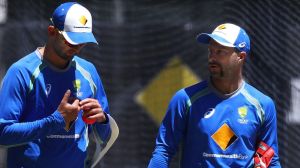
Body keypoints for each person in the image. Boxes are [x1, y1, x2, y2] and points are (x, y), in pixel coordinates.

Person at [148, 23, 281, 167]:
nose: (212, 57)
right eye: (211, 50)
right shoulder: (185, 99)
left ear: (241, 57)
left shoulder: (263, 105)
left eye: (220, 51)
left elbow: (268, 160)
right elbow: (163, 150)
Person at [0, 2, 115, 168]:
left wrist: (102, 119)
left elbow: (104, 136)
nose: (76, 48)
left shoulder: (89, 71)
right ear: (51, 32)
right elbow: (3, 135)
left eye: (82, 42)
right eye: (70, 41)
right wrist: (54, 121)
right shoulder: (21, 71)